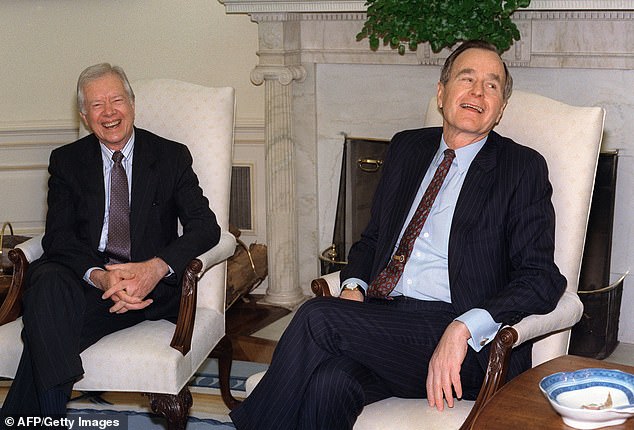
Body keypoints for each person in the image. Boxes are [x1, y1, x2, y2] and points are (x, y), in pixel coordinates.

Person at [229, 40, 566, 430]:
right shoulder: (408, 148)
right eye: (467, 78)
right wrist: (354, 285)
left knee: (317, 317)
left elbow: (541, 278)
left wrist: (463, 328)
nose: (478, 92)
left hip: (459, 338)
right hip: (386, 323)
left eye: (492, 86)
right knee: (330, 383)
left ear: (501, 107)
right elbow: (373, 240)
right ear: (441, 93)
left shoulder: (520, 168)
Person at [0, 63, 220, 425]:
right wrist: (100, 277)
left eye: (117, 100)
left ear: (132, 104)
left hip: (145, 284)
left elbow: (205, 227)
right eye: (97, 105)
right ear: (85, 116)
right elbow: (59, 237)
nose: (109, 112)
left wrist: (154, 268)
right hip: (85, 278)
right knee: (48, 284)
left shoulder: (170, 156)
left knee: (45, 323)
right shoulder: (67, 161)